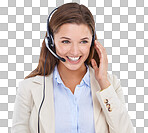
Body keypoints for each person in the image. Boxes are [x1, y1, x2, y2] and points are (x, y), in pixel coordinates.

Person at [11, 2, 134, 133]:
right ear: (51, 43)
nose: (75, 52)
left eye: (83, 41)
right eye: (65, 41)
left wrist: (103, 82)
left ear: (93, 42)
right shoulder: (29, 88)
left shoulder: (110, 85)